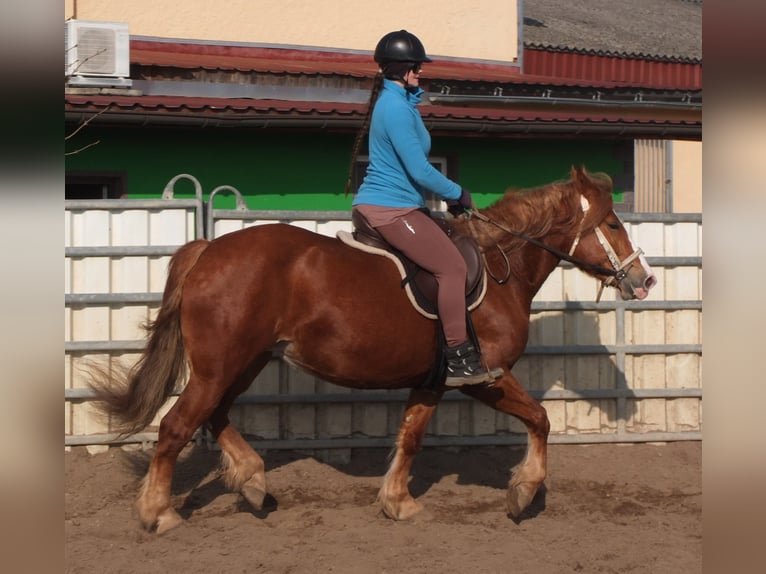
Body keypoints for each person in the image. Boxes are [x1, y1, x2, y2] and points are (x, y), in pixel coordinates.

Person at [346, 30, 502, 387]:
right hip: (390, 209)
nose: (421, 72)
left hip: (404, 205)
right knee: (451, 267)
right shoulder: (395, 108)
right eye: (416, 67)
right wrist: (457, 192)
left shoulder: (401, 103)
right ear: (402, 68)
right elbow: (418, 169)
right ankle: (459, 358)